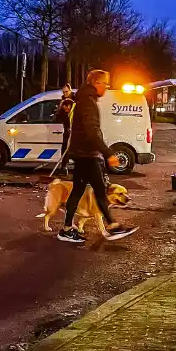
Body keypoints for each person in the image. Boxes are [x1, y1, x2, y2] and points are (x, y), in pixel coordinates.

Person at [59, 70, 137, 243]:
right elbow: (91, 131)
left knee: (78, 191)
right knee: (100, 191)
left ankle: (66, 229)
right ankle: (112, 226)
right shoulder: (88, 102)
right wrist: (108, 153)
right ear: (96, 83)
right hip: (87, 154)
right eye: (105, 84)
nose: (107, 88)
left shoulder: (85, 99)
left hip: (83, 154)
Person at [52, 95, 75, 175]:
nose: (65, 110)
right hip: (69, 134)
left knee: (72, 153)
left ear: (69, 106)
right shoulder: (69, 112)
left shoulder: (74, 111)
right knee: (66, 150)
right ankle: (64, 168)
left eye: (65, 108)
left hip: (75, 135)